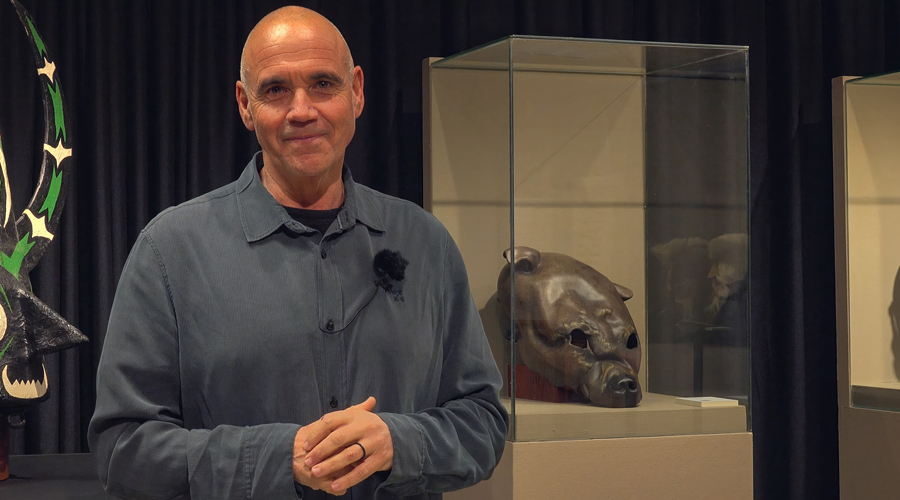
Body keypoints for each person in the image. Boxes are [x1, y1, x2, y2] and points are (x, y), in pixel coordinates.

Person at [88, 6, 508, 500]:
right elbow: (123, 450)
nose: (302, 110)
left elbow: (482, 423)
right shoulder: (170, 251)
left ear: (357, 91)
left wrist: (400, 443)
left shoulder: (427, 244)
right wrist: (277, 459)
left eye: (323, 84)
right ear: (245, 105)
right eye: (275, 90)